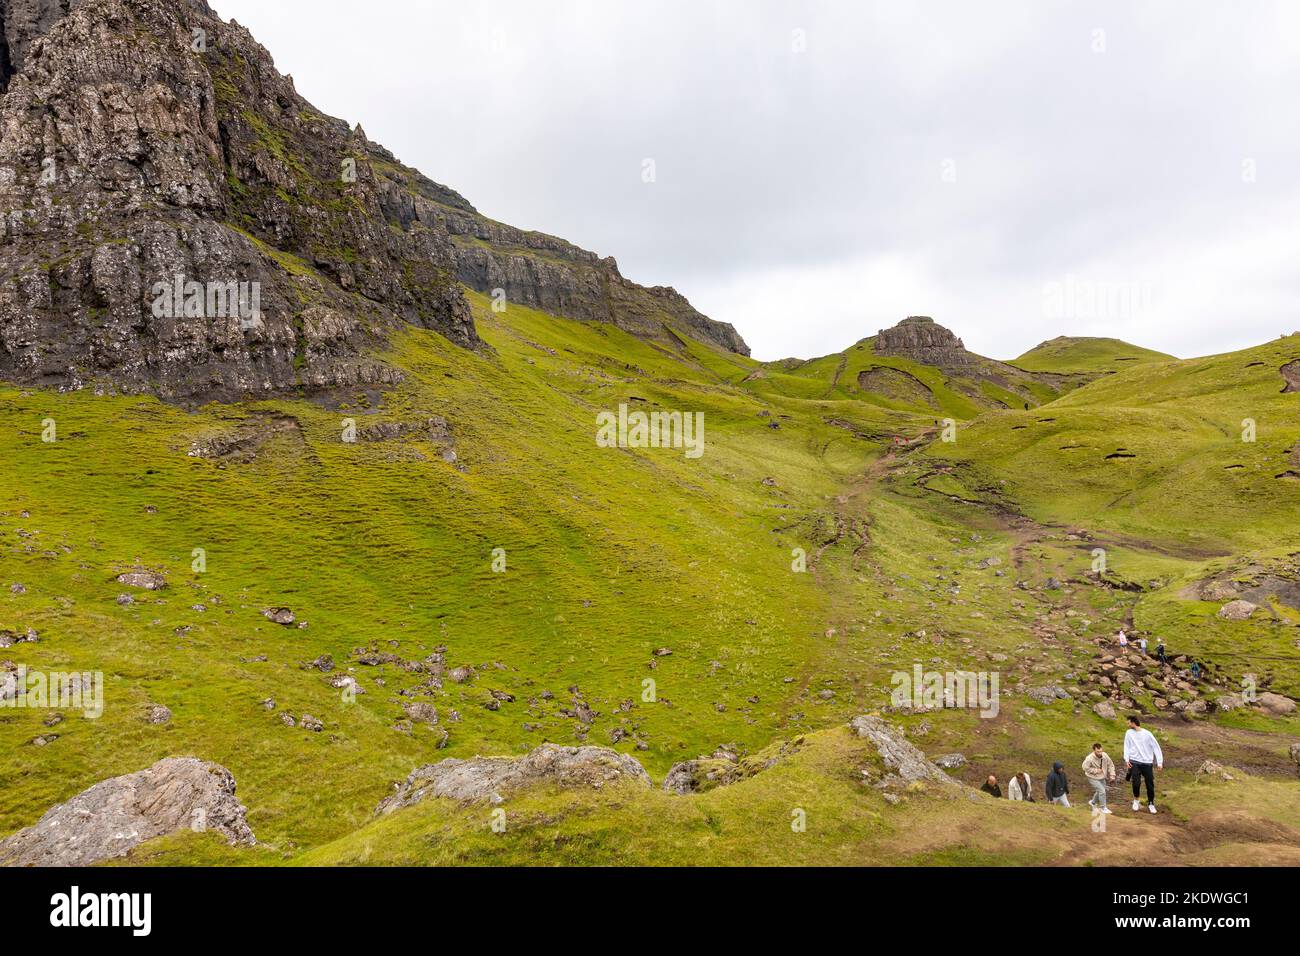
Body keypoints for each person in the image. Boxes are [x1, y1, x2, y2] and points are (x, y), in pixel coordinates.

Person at [1123, 715, 1164, 813]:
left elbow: (1156, 747)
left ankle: (1151, 803)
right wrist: (1127, 759)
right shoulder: (1128, 733)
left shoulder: (1147, 734)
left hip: (1147, 763)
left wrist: (1159, 762)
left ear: (1133, 723)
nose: (1127, 725)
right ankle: (1136, 800)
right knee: (1136, 783)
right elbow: (1127, 746)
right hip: (1134, 762)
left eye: (1128, 723)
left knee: (1150, 784)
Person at [1082, 742, 1116, 814]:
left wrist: (1112, 774)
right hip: (1092, 777)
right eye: (1098, 751)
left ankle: (1093, 802)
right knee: (1102, 791)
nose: (1100, 753)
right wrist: (1096, 771)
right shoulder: (1089, 759)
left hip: (1102, 777)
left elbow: (1111, 764)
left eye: (1101, 751)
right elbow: (1084, 767)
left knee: (1100, 791)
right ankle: (1103, 808)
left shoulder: (1105, 755)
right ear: (1094, 750)